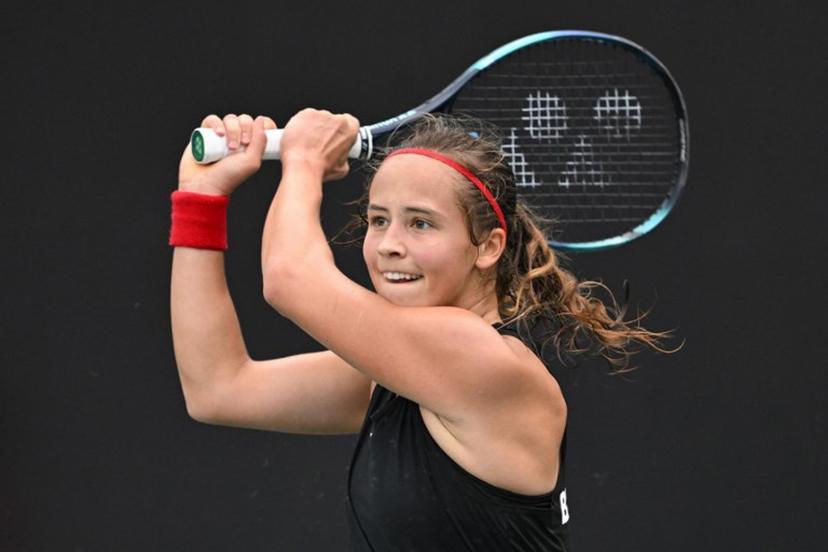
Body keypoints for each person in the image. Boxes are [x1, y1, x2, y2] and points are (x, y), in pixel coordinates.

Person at [169, 109, 678, 551]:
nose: (389, 244)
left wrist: (305, 159)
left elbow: (289, 280)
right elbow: (219, 388)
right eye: (378, 220)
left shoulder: (478, 359)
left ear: (488, 247)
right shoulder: (400, 374)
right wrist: (199, 198)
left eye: (421, 223)